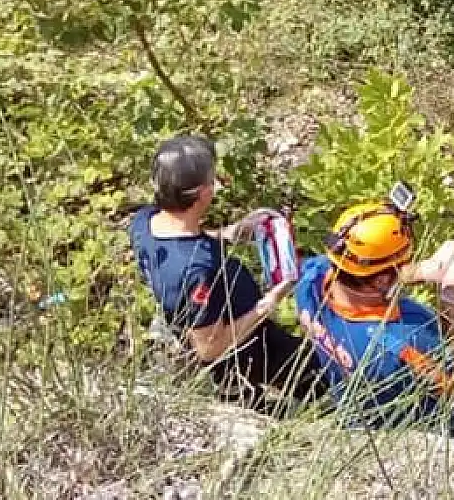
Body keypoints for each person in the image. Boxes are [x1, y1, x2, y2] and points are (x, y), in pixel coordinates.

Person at [129, 135, 326, 412]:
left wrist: (230, 233)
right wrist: (269, 301)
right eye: (212, 181)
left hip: (221, 325)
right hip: (240, 351)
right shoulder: (196, 272)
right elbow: (210, 348)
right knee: (319, 378)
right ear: (203, 194)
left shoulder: (145, 221)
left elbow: (179, 242)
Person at [293, 200, 454, 435]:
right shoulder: (406, 341)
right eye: (404, 264)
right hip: (421, 431)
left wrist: (425, 269)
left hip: (358, 414)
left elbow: (362, 273)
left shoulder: (311, 282)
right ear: (381, 280)